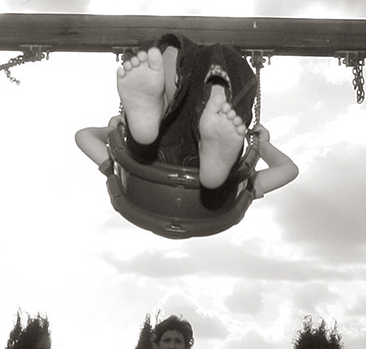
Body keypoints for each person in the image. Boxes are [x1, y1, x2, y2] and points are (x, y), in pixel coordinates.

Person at [73, 38, 299, 224]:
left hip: (149, 174)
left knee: (193, 88)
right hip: (188, 188)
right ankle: (175, 108)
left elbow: (288, 171)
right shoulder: (120, 173)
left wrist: (115, 128)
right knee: (201, 83)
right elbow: (84, 137)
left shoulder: (241, 188)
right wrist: (115, 128)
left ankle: (160, 112)